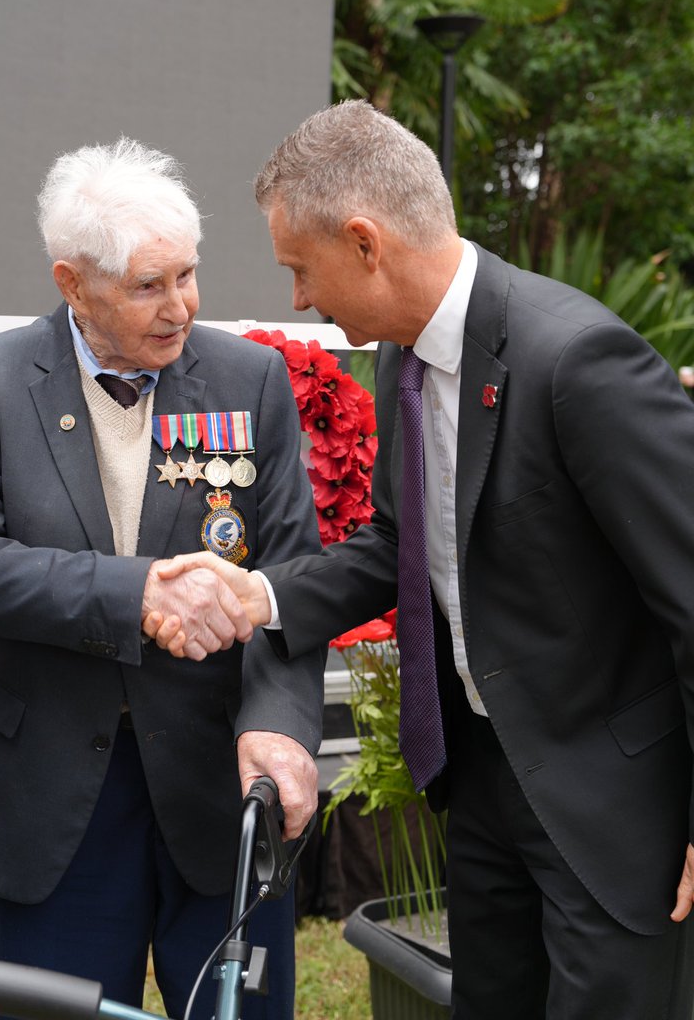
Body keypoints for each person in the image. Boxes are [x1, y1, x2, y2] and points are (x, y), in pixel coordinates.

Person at [150, 100, 694, 1020]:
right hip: (486, 785)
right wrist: (260, 595)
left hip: (615, 810)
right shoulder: (403, 361)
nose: (298, 301)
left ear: (364, 243)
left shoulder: (577, 358)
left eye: (300, 269)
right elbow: (403, 548)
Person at [0, 137, 325, 1020]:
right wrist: (135, 595)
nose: (180, 306)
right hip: (52, 799)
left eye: (188, 274)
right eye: (149, 286)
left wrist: (285, 731)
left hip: (222, 784)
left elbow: (296, 579)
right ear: (72, 283)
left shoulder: (251, 380)